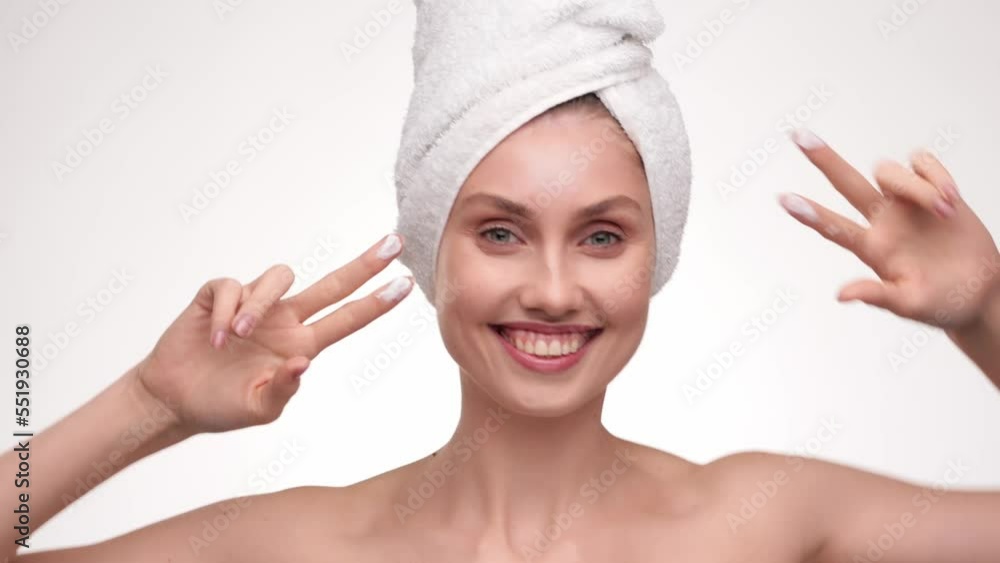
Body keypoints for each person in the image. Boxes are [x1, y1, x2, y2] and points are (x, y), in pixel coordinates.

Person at [3, 93, 998, 562]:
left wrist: (987, 316)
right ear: (434, 254)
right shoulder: (297, 544)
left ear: (657, 257)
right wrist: (148, 404)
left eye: (603, 235)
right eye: (500, 232)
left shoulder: (767, 520)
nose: (554, 288)